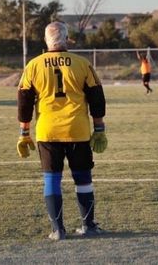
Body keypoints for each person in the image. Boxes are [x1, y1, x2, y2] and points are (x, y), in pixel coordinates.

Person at [16, 22, 107, 241]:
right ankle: (88, 226)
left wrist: (24, 133)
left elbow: (24, 101)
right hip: (77, 129)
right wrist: (100, 129)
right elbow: (96, 98)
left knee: (51, 179)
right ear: (66, 38)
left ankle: (58, 230)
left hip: (48, 131)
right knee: (83, 178)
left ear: (46, 40)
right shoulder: (82, 64)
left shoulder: (33, 65)